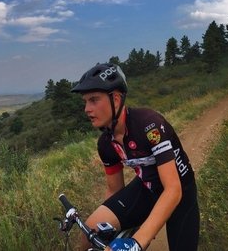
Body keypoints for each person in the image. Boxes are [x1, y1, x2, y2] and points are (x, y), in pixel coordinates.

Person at [70, 63, 199, 251]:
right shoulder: (106, 144)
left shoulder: (149, 125)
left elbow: (173, 190)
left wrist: (137, 241)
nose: (87, 109)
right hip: (146, 188)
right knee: (89, 233)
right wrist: (108, 228)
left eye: (94, 100)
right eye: (85, 101)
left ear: (115, 99)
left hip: (180, 191)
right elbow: (115, 190)